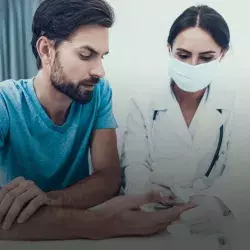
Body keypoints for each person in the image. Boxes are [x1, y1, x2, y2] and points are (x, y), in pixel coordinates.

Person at [0, 0, 195, 240]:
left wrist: (47, 202)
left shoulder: (98, 93)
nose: (99, 71)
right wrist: (108, 223)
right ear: (46, 50)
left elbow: (109, 178)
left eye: (102, 56)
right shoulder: (5, 102)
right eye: (86, 54)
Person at [121, 5, 240, 249]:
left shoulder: (237, 104)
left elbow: (241, 171)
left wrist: (218, 202)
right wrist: (149, 194)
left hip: (212, 225)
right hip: (150, 218)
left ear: (222, 54)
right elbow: (134, 165)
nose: (193, 66)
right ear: (169, 49)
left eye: (206, 58)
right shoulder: (143, 102)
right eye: (183, 55)